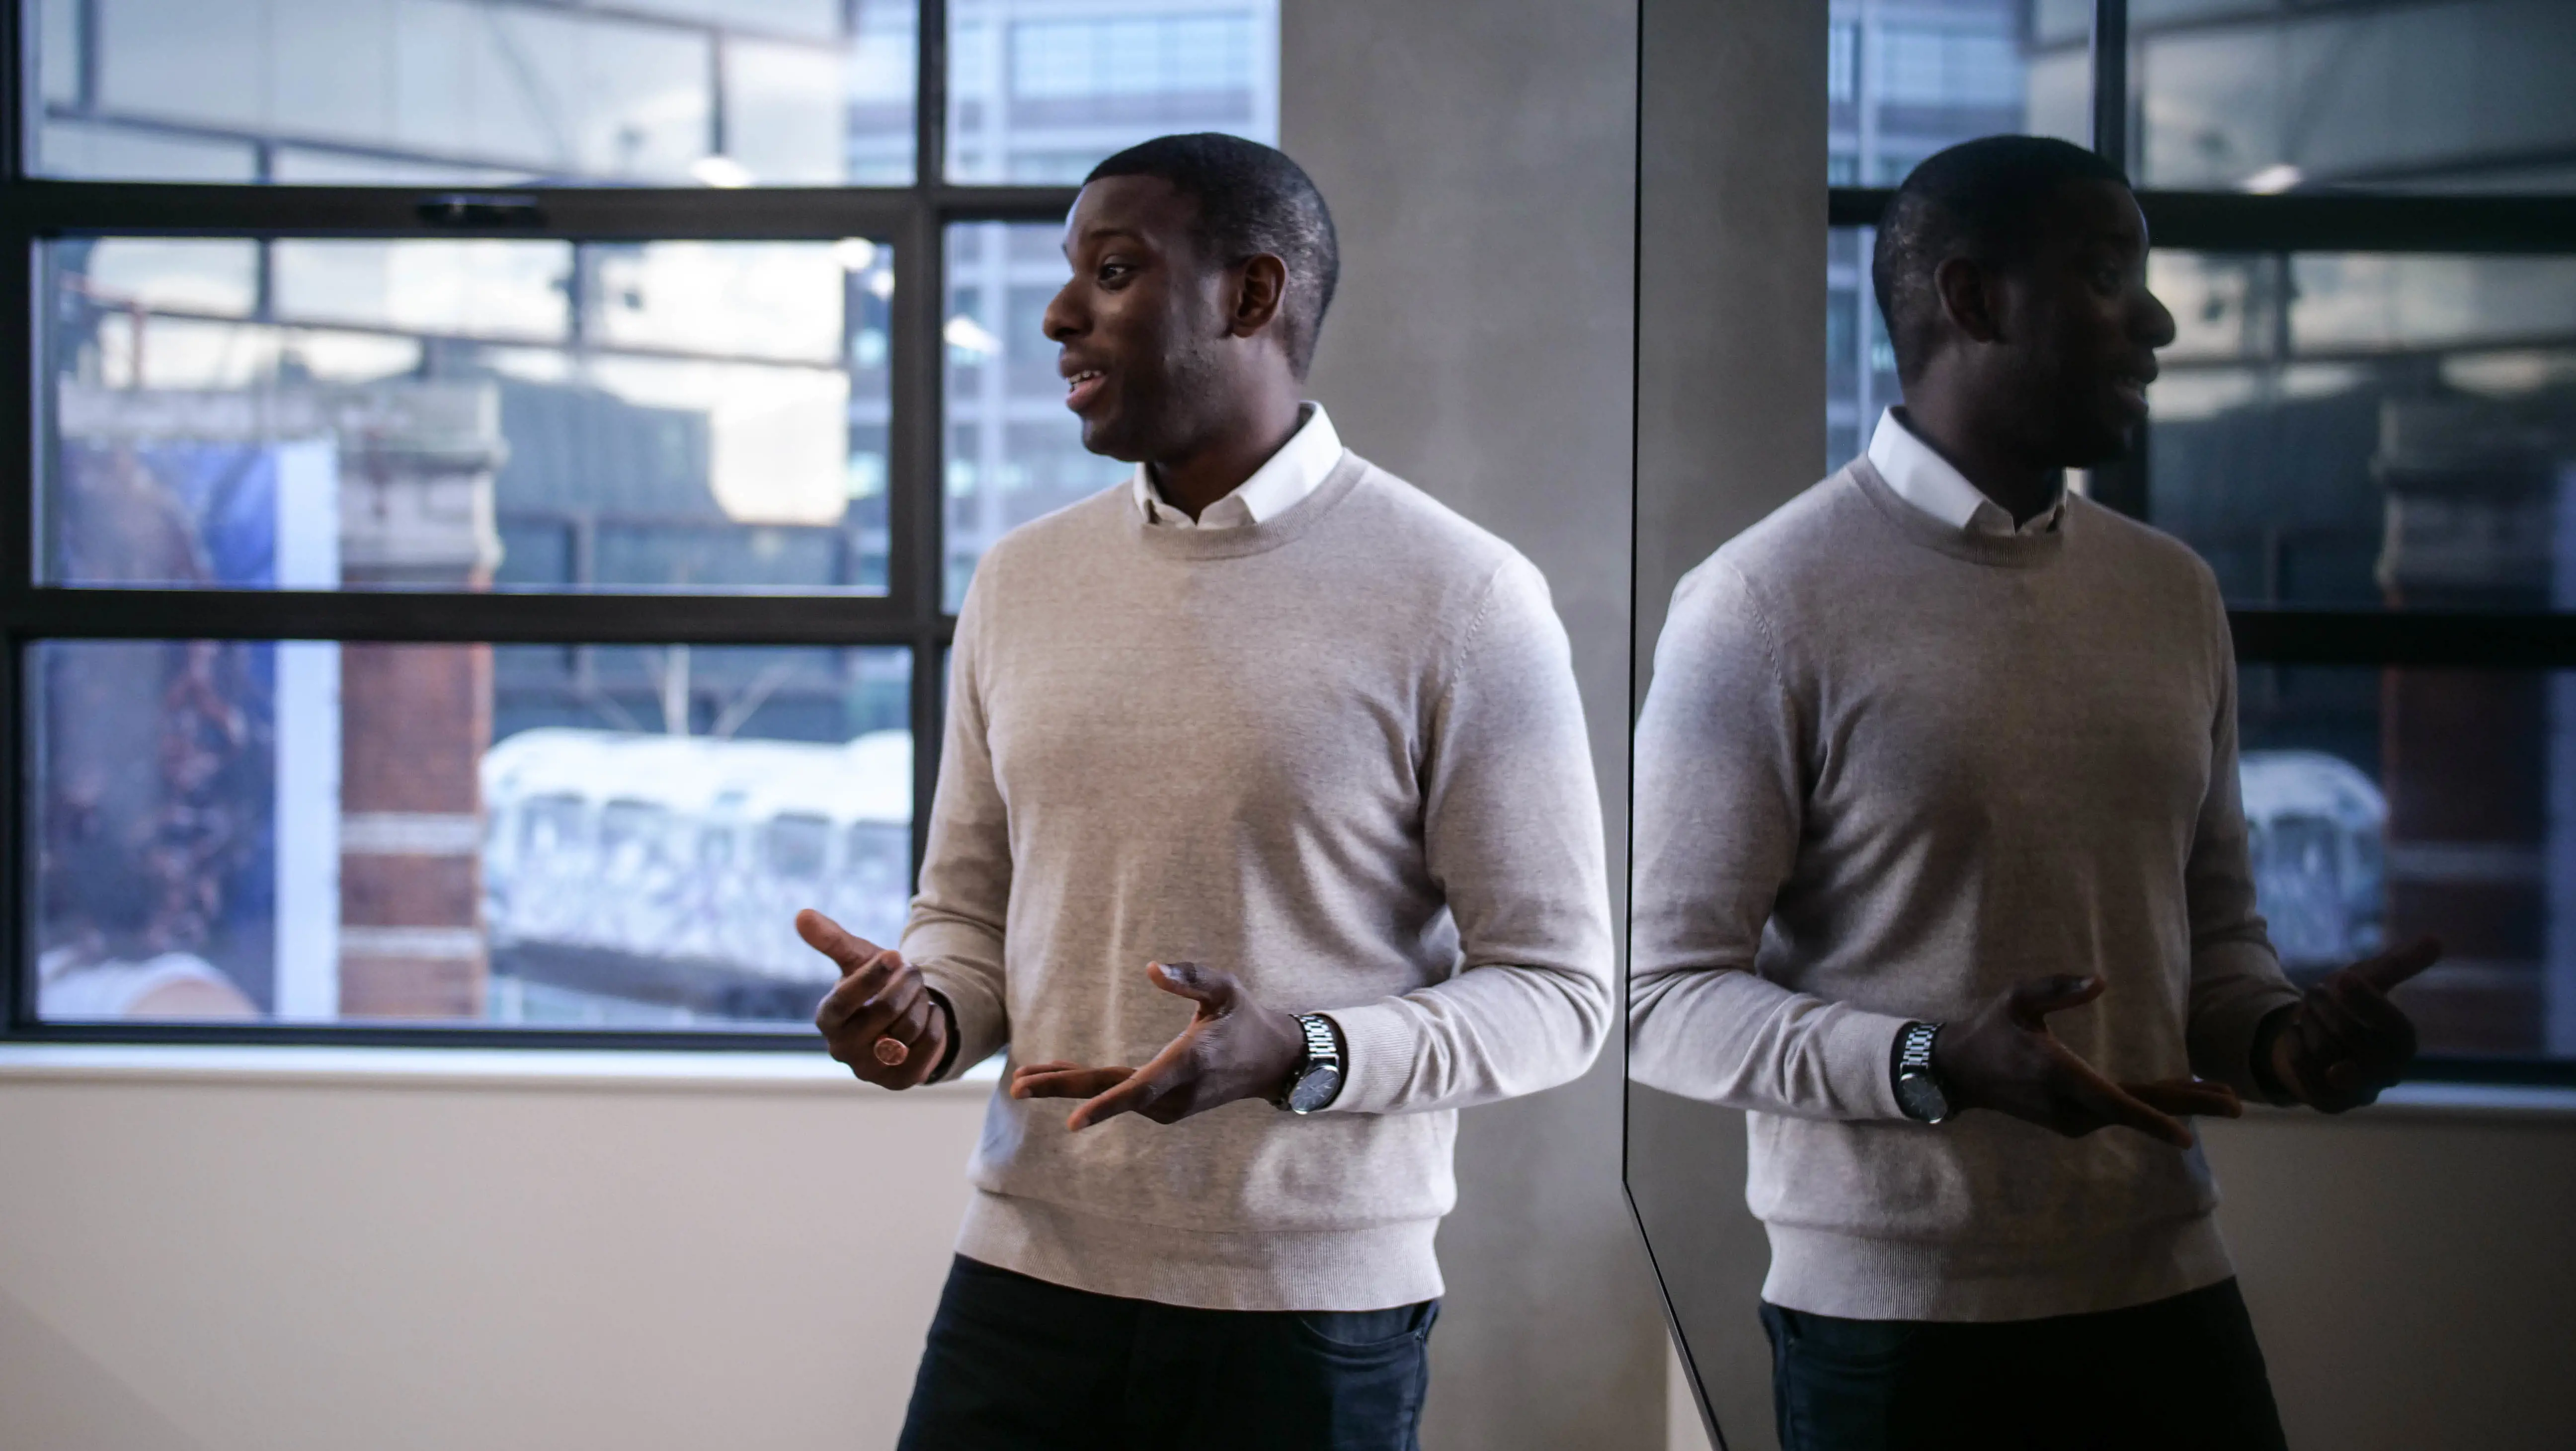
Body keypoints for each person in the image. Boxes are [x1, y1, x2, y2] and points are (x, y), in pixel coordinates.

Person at [800, 132, 1613, 1451]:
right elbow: (968, 910)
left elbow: (1560, 995)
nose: (1059, 314)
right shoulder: (1020, 580)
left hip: (1305, 1317)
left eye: (1114, 271)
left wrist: (1305, 1053)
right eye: (1070, 273)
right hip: (1026, 1274)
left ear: (1251, 296)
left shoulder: (1463, 596)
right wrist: (931, 1013)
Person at [1627, 135, 2439, 1451]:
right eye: (2108, 273)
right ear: (1974, 299)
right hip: (1892, 1329)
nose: (2161, 321)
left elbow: (2214, 946)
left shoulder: (2170, 592)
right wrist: (1932, 1061)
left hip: (2164, 1286)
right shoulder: (1762, 602)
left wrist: (2295, 1043)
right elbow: (1663, 1002)